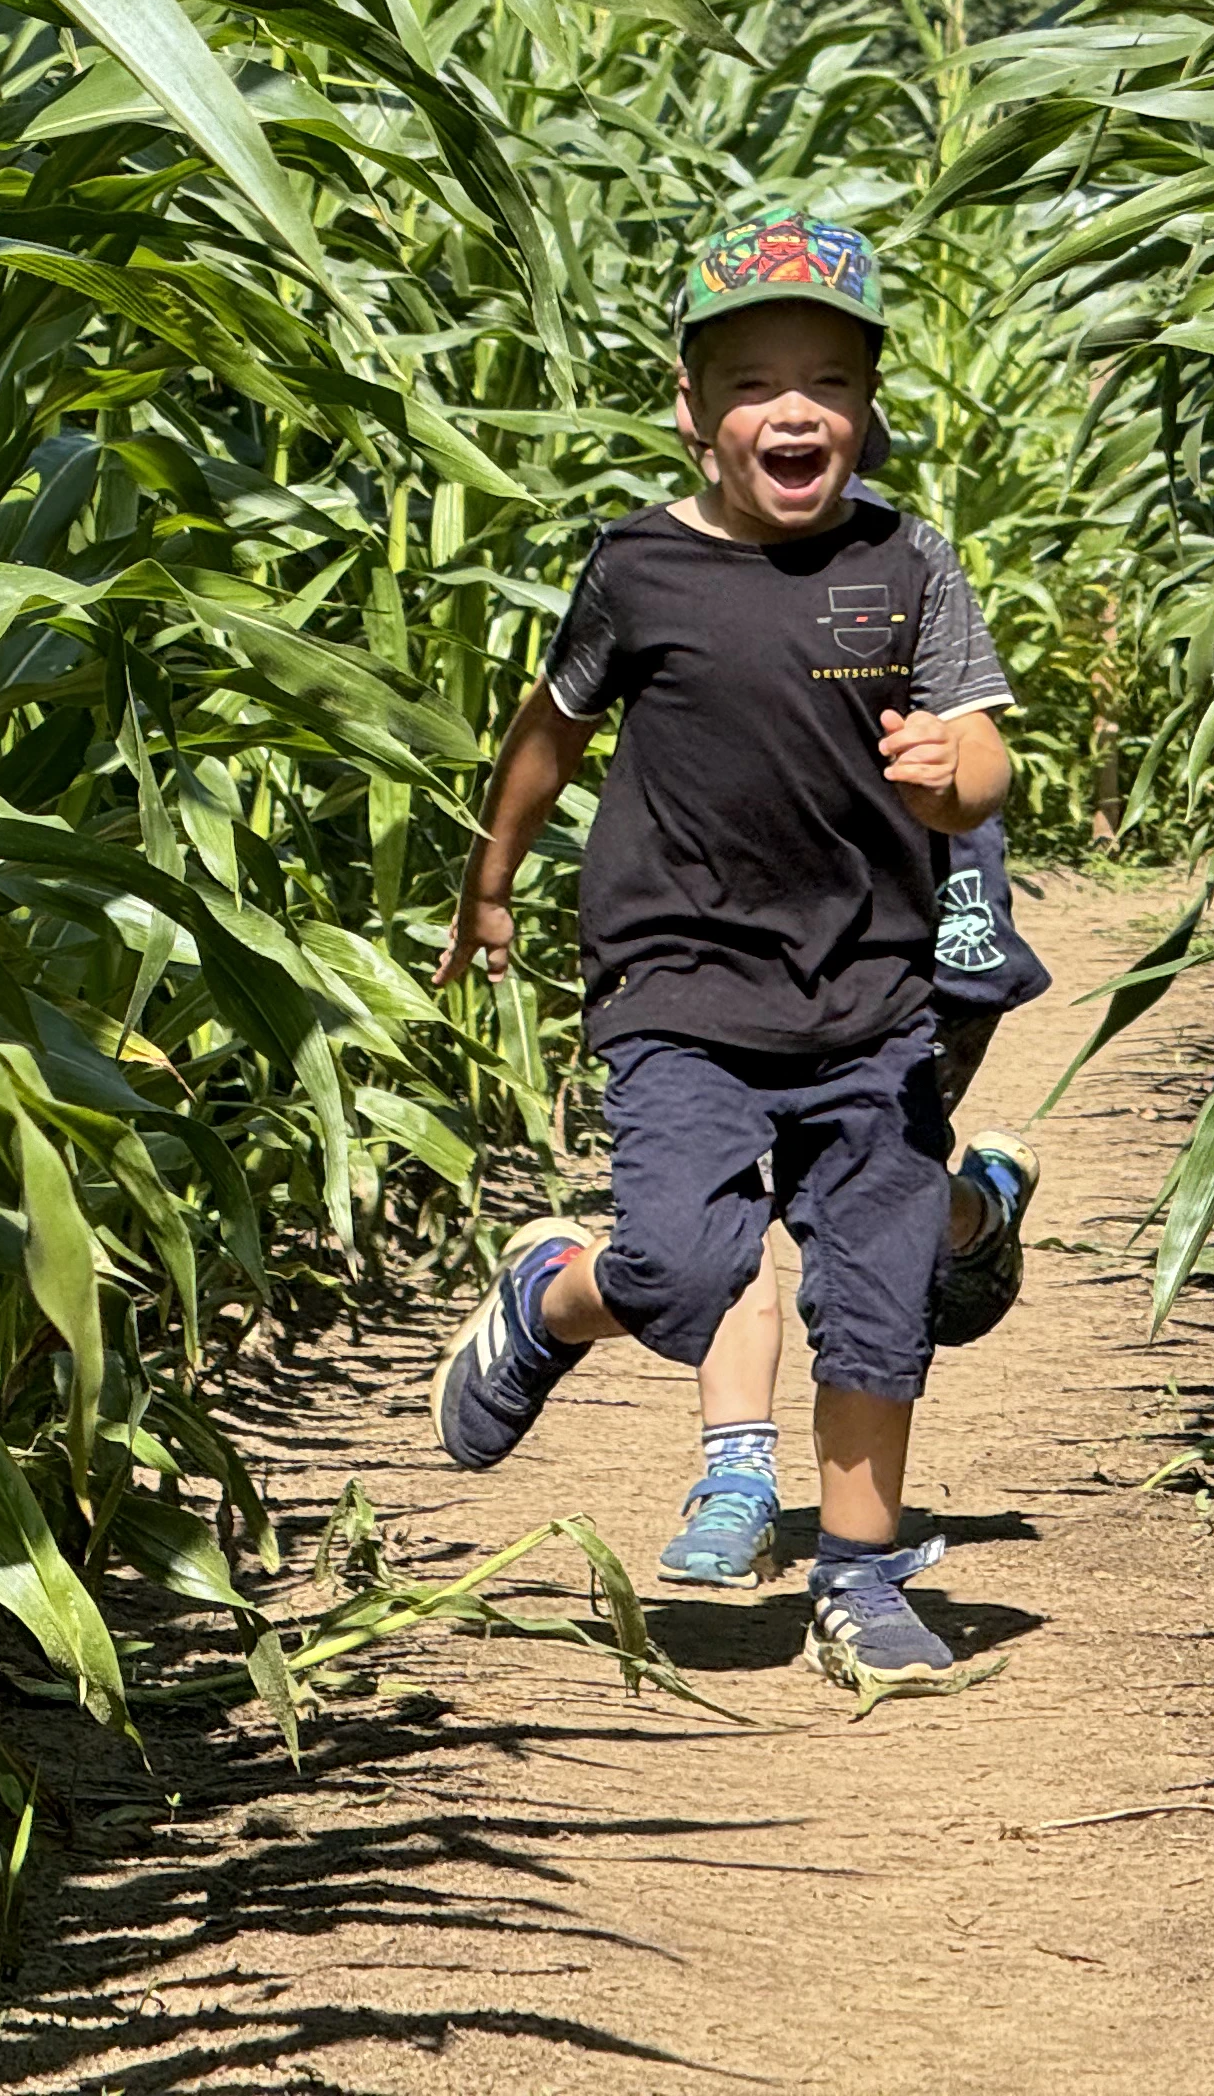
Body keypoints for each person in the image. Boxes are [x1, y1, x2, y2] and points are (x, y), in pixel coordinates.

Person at [429, 212, 1022, 1693]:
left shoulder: (909, 563)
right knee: (684, 1258)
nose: (796, 407)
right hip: (679, 984)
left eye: (829, 377)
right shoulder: (636, 572)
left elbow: (989, 758)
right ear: (693, 411)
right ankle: (555, 1293)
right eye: (755, 381)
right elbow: (552, 730)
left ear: (869, 406)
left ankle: (860, 1576)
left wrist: (958, 775)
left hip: (872, 992)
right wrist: (491, 879)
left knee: (877, 1286)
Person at [656, 816, 1052, 1590]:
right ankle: (737, 1478)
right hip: (743, 956)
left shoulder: (901, 696)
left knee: (868, 1209)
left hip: (908, 963)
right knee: (737, 1196)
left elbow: (963, 764)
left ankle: (977, 1215)